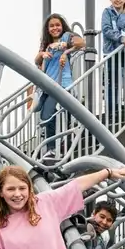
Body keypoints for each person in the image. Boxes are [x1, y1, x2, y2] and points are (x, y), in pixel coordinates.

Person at [32, 14, 85, 159]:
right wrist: (42, 54)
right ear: (48, 29)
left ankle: (59, 145)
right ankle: (51, 147)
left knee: (60, 113)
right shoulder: (46, 44)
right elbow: (36, 60)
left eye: (57, 25)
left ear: (62, 26)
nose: (55, 28)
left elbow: (81, 43)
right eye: (52, 26)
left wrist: (65, 47)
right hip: (48, 84)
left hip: (62, 83)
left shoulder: (66, 36)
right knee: (45, 115)